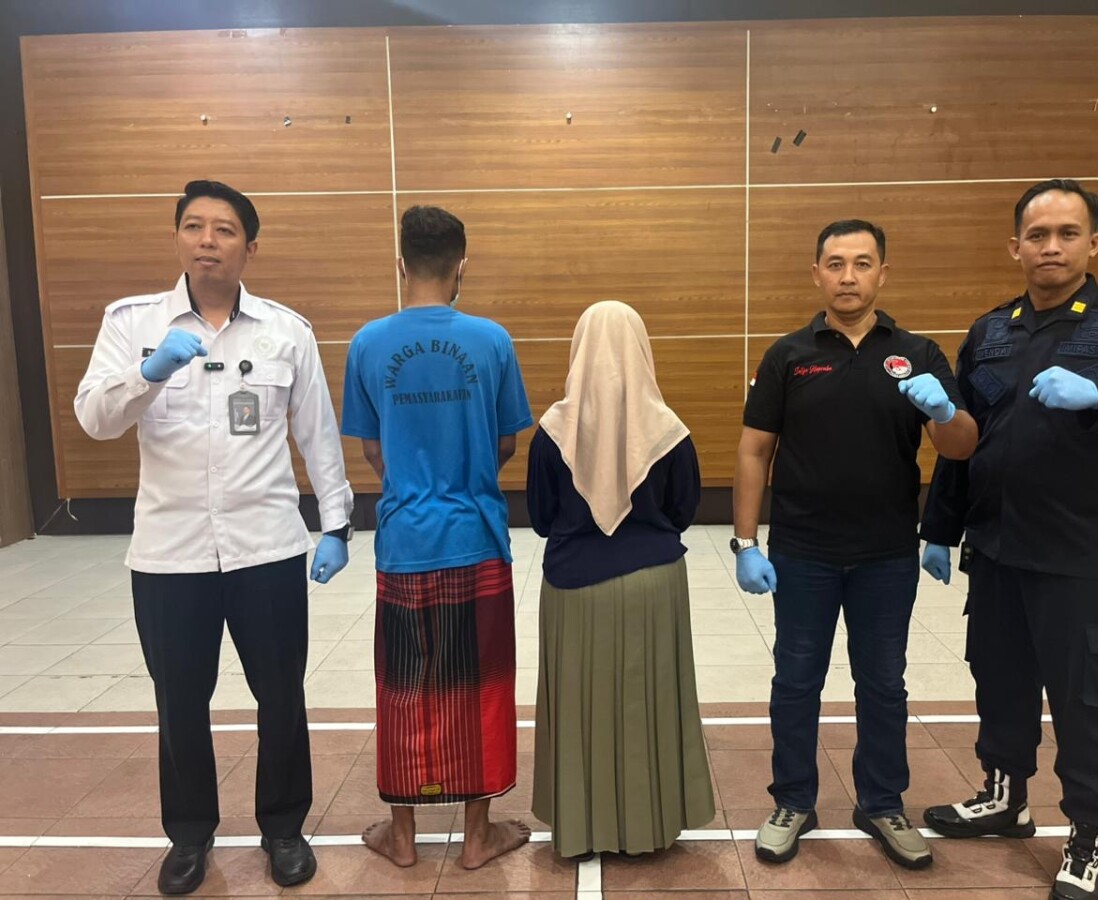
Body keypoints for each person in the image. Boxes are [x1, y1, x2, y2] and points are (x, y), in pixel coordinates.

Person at [920, 179, 1098, 900]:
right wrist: (940, 529)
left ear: (1094, 243)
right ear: (1015, 246)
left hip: (1085, 560)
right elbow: (966, 440)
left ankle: (1089, 835)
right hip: (999, 551)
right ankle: (1004, 798)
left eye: (1067, 233)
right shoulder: (991, 330)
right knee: (1000, 683)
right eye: (1037, 235)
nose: (1051, 247)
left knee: (1088, 706)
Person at [75, 180, 353, 895]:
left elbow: (316, 432)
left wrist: (336, 523)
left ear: (249, 248)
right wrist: (147, 373)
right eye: (194, 226)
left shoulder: (285, 331)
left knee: (281, 694)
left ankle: (283, 827)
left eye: (224, 230)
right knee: (180, 701)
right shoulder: (132, 322)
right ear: (177, 238)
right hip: (169, 555)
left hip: (267, 548)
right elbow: (95, 419)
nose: (207, 240)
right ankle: (189, 834)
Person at [733, 219, 979, 870]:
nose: (848, 276)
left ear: (882, 274)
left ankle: (882, 803)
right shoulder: (787, 355)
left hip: (886, 555)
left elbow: (961, 446)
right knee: (796, 681)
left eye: (862, 263)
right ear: (816, 273)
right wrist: (745, 543)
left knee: (883, 684)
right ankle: (793, 800)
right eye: (836, 264)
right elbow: (755, 450)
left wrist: (944, 412)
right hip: (802, 552)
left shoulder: (918, 353)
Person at [341, 205, 534, 870]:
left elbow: (372, 450)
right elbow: (507, 442)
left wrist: (412, 481)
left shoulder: (367, 344)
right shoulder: (492, 341)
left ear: (401, 264)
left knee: (403, 687)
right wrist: (465, 472)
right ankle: (478, 836)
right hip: (475, 535)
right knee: (479, 685)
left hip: (403, 543)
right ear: (461, 266)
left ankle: (402, 836)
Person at [527, 300, 715, 860]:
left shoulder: (551, 434)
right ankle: (650, 827)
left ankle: (581, 826)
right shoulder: (670, 432)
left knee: (579, 710)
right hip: (654, 586)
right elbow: (683, 511)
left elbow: (540, 518)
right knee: (648, 708)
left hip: (573, 588)